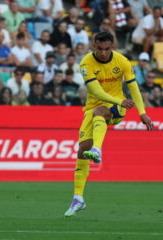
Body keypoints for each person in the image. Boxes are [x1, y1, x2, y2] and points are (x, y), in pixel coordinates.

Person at [64, 32, 154, 217]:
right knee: (81, 151)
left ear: (112, 47)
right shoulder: (86, 63)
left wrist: (142, 112)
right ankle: (78, 198)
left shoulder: (122, 62)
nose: (103, 53)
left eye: (107, 49)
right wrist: (119, 101)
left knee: (100, 114)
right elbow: (96, 91)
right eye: (100, 49)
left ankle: (97, 149)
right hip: (93, 107)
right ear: (93, 46)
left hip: (116, 106)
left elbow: (133, 87)